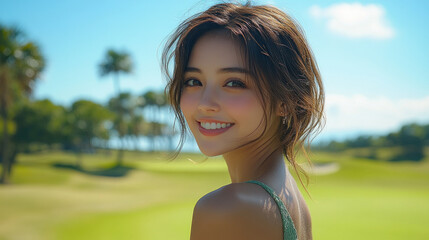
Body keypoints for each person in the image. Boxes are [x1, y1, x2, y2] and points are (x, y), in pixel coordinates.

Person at [162, 2, 324, 240]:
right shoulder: (289, 195)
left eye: (234, 83)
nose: (205, 103)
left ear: (286, 100)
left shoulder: (230, 208)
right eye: (194, 81)